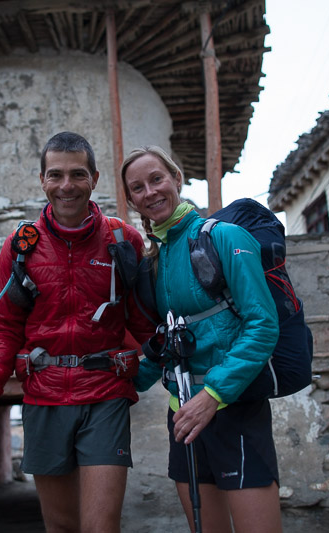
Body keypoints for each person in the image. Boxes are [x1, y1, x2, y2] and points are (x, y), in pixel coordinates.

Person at [0, 132, 155, 533]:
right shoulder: (20, 247)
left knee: (101, 527)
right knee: (61, 527)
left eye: (77, 174)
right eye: (56, 175)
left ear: (95, 178)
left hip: (105, 394)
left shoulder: (124, 241)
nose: (66, 186)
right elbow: (4, 326)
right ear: (42, 179)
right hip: (44, 397)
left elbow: (144, 321)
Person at [121, 146, 283, 533]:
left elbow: (262, 325)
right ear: (131, 201)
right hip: (183, 415)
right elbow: (170, 341)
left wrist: (212, 396)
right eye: (137, 188)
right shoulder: (153, 260)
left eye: (156, 179)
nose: (150, 192)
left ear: (176, 179)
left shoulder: (223, 237)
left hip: (235, 408)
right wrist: (121, 376)